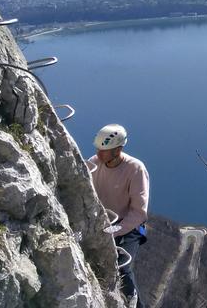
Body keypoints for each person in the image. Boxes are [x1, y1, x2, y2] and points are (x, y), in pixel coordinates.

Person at [90, 124, 150, 308]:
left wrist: (112, 231)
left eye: (104, 150)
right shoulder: (94, 162)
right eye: (98, 149)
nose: (99, 154)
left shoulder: (135, 169)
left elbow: (139, 213)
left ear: (117, 150)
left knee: (122, 267)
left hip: (128, 226)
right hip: (103, 223)